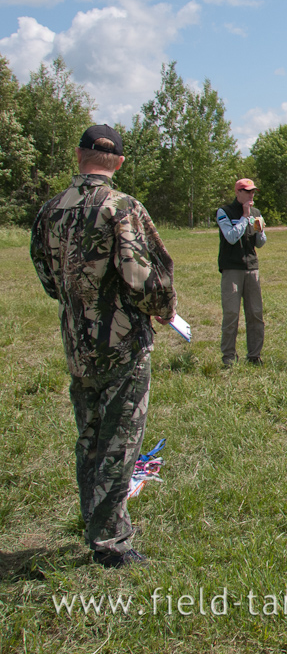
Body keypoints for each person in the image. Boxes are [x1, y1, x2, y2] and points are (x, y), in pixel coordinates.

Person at [30, 124, 177, 568]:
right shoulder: (122, 208)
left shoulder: (51, 210)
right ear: (119, 163)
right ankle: (110, 543)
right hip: (122, 344)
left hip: (77, 342)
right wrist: (163, 306)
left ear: (79, 156)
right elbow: (140, 274)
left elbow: (46, 275)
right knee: (119, 439)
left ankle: (94, 521)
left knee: (90, 436)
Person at [216, 178, 266, 367]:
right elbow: (230, 237)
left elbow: (260, 243)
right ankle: (229, 357)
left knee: (255, 313)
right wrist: (244, 218)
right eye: (247, 191)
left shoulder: (256, 213)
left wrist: (260, 231)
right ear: (237, 193)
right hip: (232, 269)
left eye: (253, 191)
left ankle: (254, 355)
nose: (251, 195)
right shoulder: (224, 212)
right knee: (231, 314)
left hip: (251, 268)